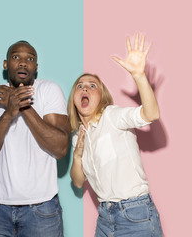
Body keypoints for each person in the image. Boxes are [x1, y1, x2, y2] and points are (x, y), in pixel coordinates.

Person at [68, 34, 163, 237]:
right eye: (80, 85)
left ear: (102, 97)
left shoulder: (112, 115)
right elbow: (77, 182)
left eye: (92, 86)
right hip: (105, 218)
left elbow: (151, 114)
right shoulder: (78, 136)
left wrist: (139, 76)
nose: (85, 87)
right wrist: (77, 156)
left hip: (135, 214)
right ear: (74, 98)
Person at [0, 40, 70, 237]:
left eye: (30, 58)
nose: (23, 62)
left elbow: (60, 148)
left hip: (42, 210)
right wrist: (9, 113)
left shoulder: (49, 90)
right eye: (16, 57)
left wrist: (22, 105)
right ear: (5, 64)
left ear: (36, 67)